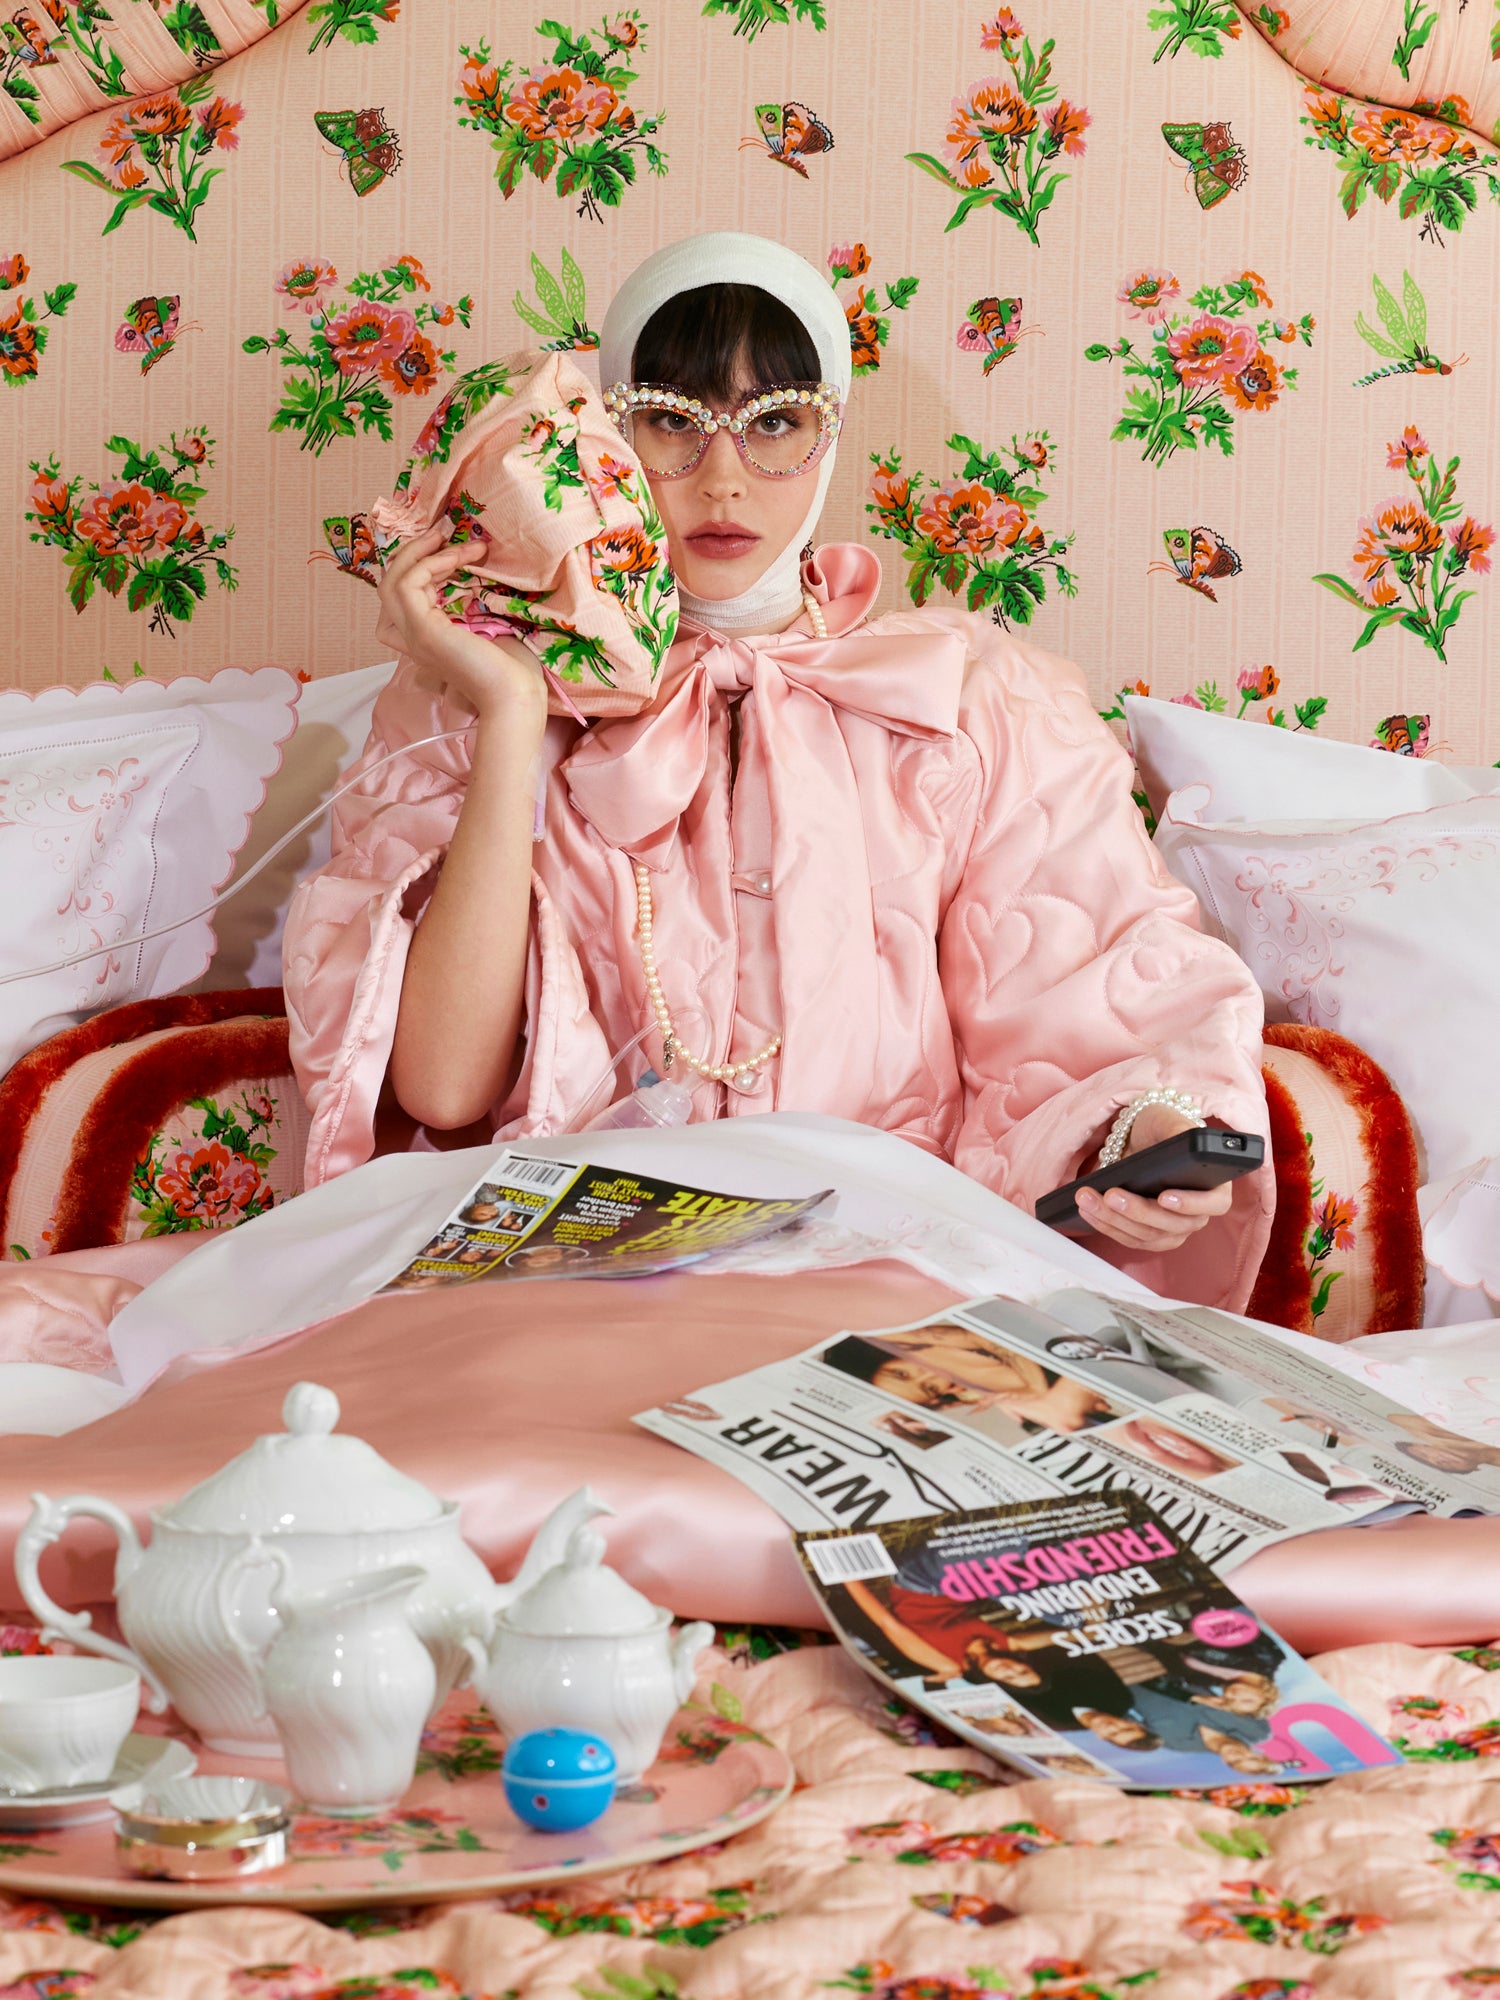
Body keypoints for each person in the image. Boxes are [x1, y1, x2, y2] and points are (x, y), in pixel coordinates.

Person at [283, 231, 1273, 1311]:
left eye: (775, 425)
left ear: (830, 431)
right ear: (600, 435)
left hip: (880, 1275)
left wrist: (1143, 1133)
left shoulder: (979, 694)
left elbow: (1090, 982)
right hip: (577, 1288)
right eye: (669, 419)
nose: (722, 478)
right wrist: (513, 705)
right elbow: (439, 1085)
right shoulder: (467, 699)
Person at [820, 1333, 1115, 1434]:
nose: (930, 1373)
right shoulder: (989, 1385)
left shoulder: (925, 1339)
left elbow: (977, 1338)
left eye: (902, 1373)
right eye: (930, 1388)